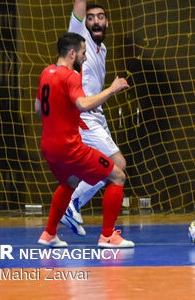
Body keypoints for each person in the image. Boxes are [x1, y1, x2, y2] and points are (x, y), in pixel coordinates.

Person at [59, 0, 131, 236]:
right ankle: (75, 207)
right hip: (84, 116)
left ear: (108, 22)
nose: (96, 20)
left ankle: (71, 205)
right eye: (91, 18)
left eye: (101, 17)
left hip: (96, 116)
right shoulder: (81, 39)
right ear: (84, 25)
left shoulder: (101, 49)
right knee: (117, 166)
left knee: (102, 169)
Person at [35, 32, 134, 248]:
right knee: (118, 175)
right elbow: (83, 104)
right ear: (72, 54)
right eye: (82, 53)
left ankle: (49, 234)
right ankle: (108, 236)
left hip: (48, 147)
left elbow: (37, 108)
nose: (85, 57)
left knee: (69, 182)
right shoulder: (70, 76)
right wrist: (112, 89)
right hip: (69, 147)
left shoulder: (45, 73)